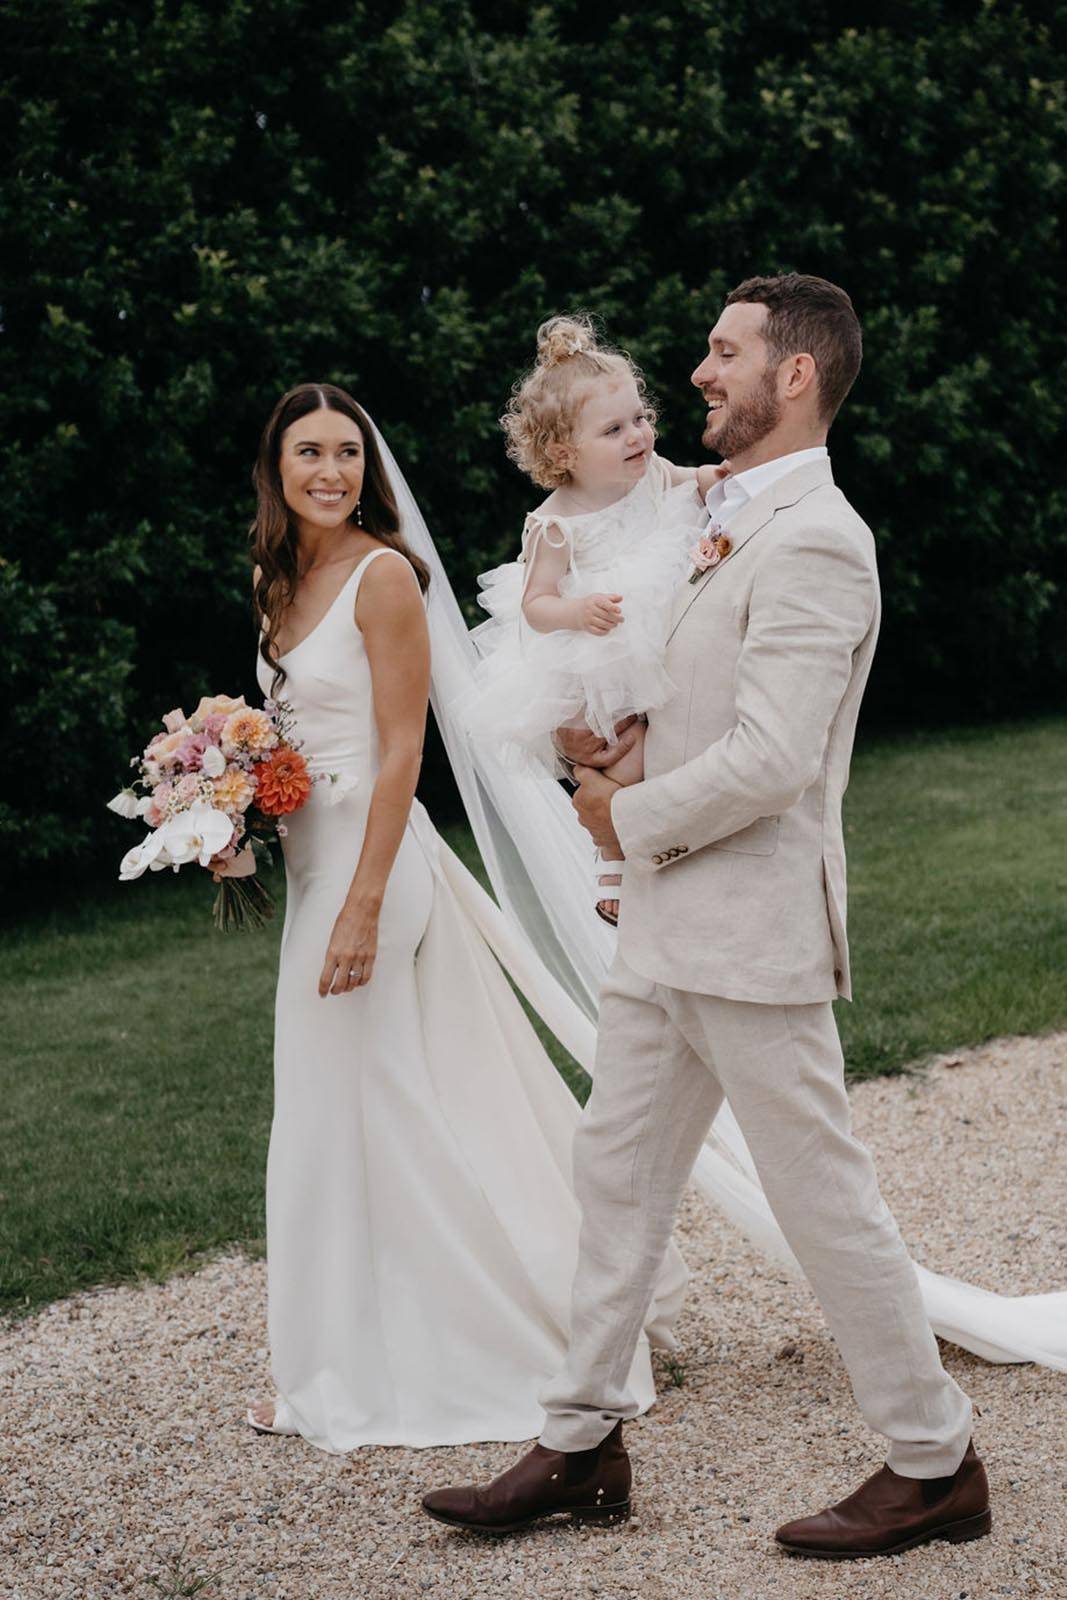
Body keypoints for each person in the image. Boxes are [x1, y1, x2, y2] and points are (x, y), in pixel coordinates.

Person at [421, 275, 996, 1557]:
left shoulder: (819, 539)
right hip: (662, 929)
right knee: (614, 1171)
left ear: (793, 376)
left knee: (819, 1198)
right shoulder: (698, 514)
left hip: (748, 929)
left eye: (724, 353)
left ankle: (933, 1458)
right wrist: (600, 742)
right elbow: (665, 691)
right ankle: (578, 1439)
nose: (696, 372)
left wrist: (619, 816)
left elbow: (772, 758)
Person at [243, 381, 687, 1451]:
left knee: (362, 1110)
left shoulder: (383, 575)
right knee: (345, 1106)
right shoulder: (275, 578)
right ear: (276, 467)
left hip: (369, 871)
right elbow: (285, 732)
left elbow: (402, 750)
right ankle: (341, 1358)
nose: (331, 473)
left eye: (347, 453)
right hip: (313, 858)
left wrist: (358, 905)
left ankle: (425, 1361)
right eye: (309, 453)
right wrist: (231, 812)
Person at [456, 315, 723, 922]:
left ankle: (634, 849)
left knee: (652, 749)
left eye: (641, 419)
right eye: (614, 429)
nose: (638, 436)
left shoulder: (653, 475)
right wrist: (577, 611)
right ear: (563, 452)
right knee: (614, 753)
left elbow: (688, 481)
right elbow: (535, 604)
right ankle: (611, 860)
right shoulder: (557, 522)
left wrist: (712, 478)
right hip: (594, 656)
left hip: (658, 636)